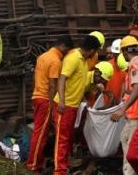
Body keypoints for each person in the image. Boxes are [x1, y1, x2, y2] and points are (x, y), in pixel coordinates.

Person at [53, 35, 100, 175]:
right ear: (91, 50)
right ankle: (59, 170)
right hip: (65, 105)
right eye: (95, 51)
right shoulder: (74, 58)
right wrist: (61, 101)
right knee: (62, 138)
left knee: (67, 138)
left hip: (72, 105)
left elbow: (79, 83)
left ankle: (64, 165)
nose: (95, 54)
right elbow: (62, 79)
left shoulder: (83, 60)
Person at [26, 35, 73, 172]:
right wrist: (53, 105)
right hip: (46, 99)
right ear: (63, 46)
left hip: (37, 97)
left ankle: (37, 163)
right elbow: (53, 85)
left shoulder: (43, 56)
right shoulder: (55, 60)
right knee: (40, 134)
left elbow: (35, 78)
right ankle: (32, 165)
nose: (66, 53)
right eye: (67, 50)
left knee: (40, 132)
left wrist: (33, 95)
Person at [110, 35, 138, 175]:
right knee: (124, 137)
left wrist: (122, 109)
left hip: (137, 112)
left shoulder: (135, 66)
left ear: (125, 52)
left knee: (132, 146)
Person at [103, 39, 127, 106]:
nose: (117, 55)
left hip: (122, 102)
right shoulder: (108, 64)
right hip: (108, 101)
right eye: (115, 53)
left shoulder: (127, 66)